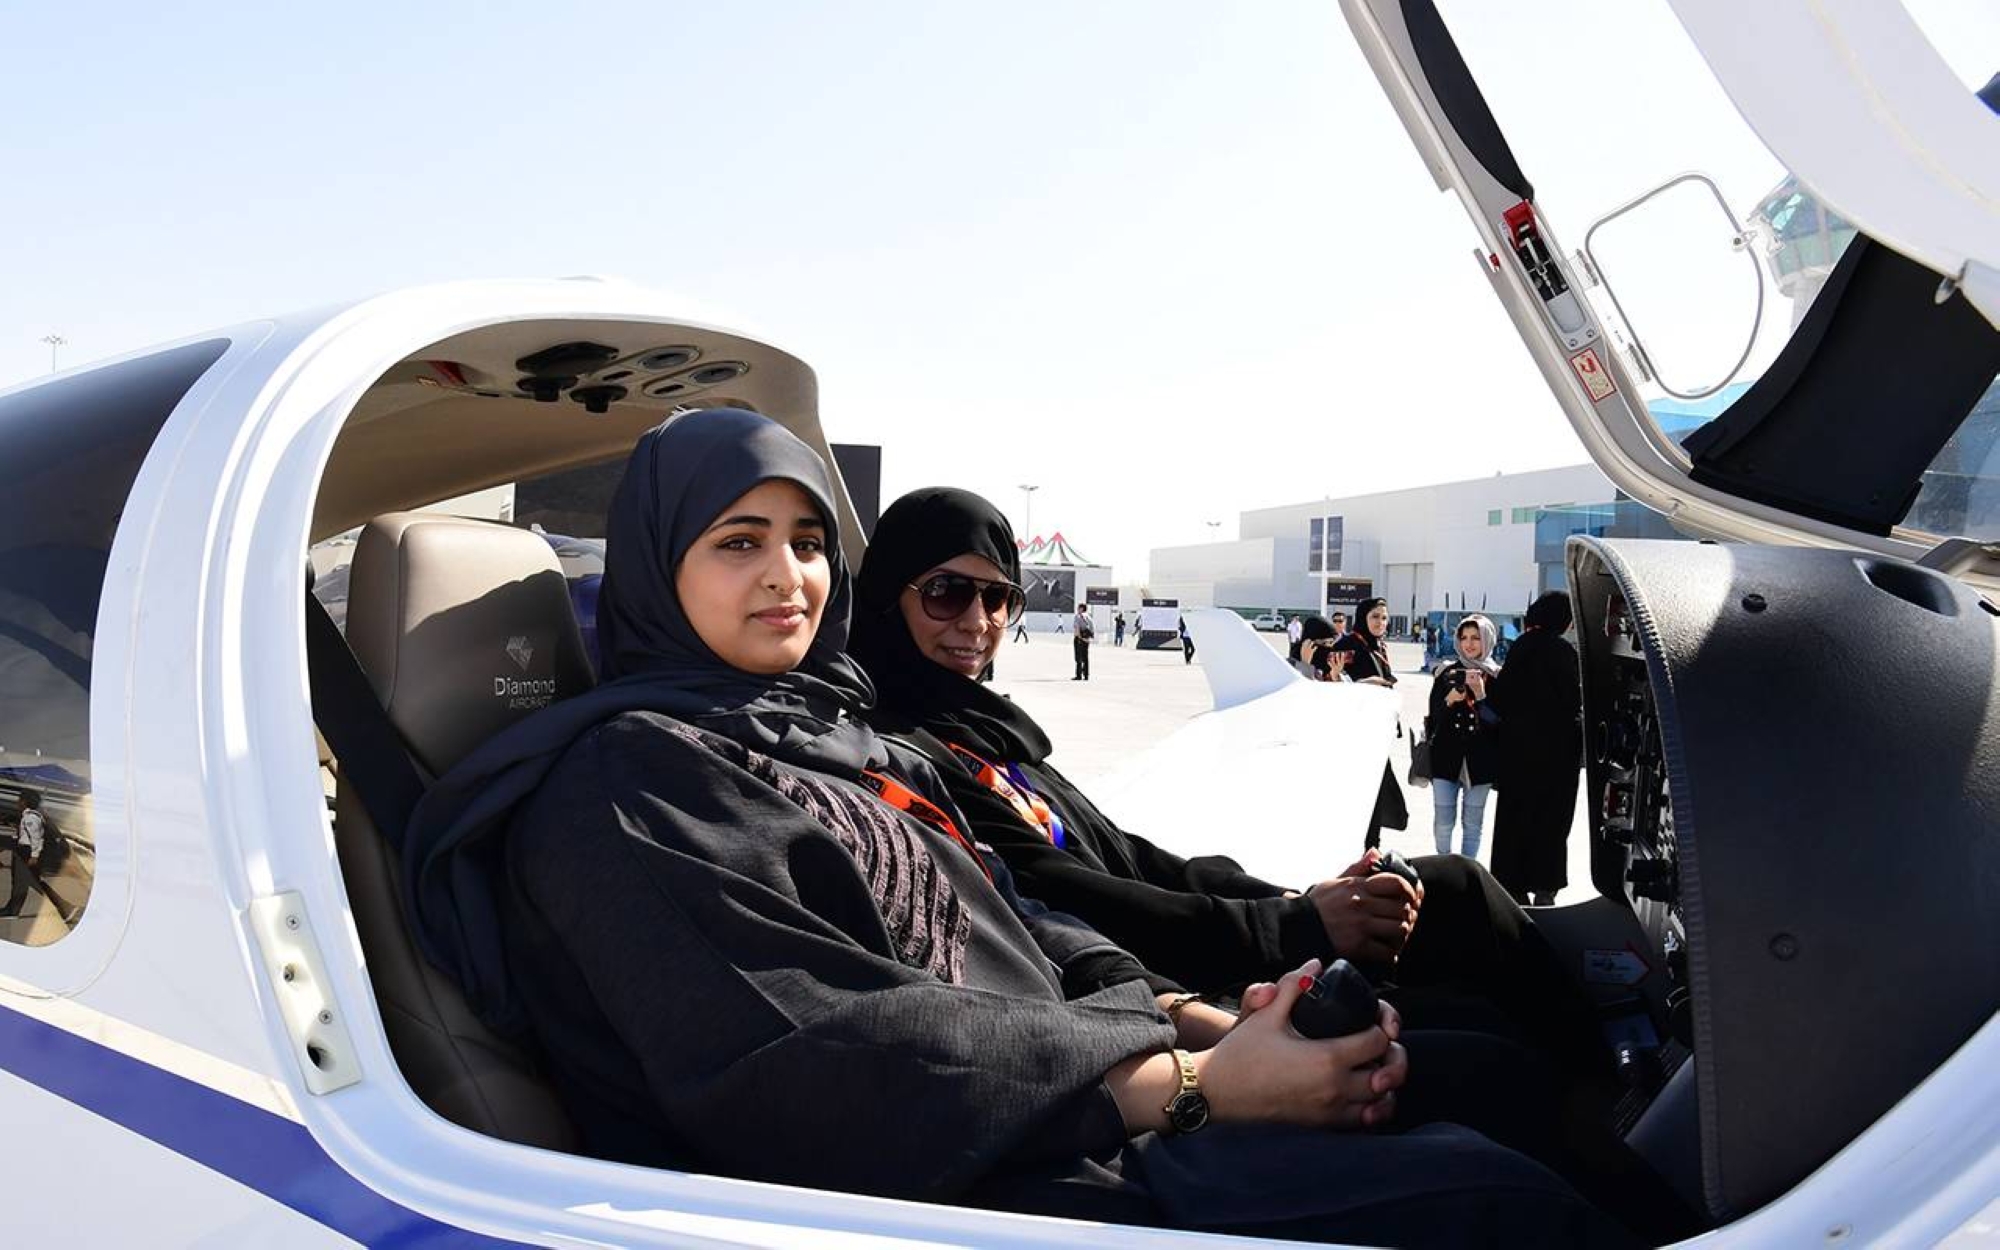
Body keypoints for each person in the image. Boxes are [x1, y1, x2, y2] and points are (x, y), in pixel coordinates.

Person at [401, 419, 1633, 1246]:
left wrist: (1191, 1010)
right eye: (738, 543)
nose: (789, 575)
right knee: (1492, 1197)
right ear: (657, 565)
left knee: (1473, 1073)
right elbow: (821, 1055)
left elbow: (1018, 905)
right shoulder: (624, 789)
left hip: (1070, 1089)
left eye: (809, 541)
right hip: (956, 1176)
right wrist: (1189, 1087)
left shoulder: (827, 734)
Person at [846, 489, 1690, 1241]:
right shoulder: (905, 751)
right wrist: (1281, 936)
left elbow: (1132, 856)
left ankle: (1624, 1109)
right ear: (888, 600)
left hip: (1175, 980)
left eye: (999, 596)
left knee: (1459, 921)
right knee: (1490, 1060)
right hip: (1148, 1000)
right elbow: (1064, 896)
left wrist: (1296, 900)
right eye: (947, 592)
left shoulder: (986, 732)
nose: (979, 621)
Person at [1486, 592, 1583, 907]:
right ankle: (1546, 884)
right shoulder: (1563, 651)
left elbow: (1501, 699)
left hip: (1518, 752)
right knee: (1552, 820)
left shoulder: (1520, 648)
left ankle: (1512, 884)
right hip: (1557, 753)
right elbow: (1573, 701)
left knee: (1515, 817)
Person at [1330, 598, 1409, 850]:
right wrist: (1364, 685)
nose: (1380, 622)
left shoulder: (1379, 646)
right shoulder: (1348, 645)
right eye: (1375, 616)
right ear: (1363, 617)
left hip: (1378, 729)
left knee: (1376, 795)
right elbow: (1331, 685)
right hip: (1356, 733)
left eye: (1384, 617)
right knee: (1360, 795)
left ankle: (1371, 848)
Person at [1427, 616, 1502, 859]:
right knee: (1443, 822)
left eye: (1476, 637)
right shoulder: (1446, 672)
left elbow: (1500, 724)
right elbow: (1433, 718)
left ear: (1487, 640)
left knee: (1473, 824)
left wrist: (1481, 695)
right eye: (1464, 637)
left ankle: (1467, 873)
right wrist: (1449, 700)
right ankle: (1442, 865)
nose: (1469, 644)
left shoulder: (1497, 676)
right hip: (1445, 758)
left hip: (1481, 761)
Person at [1072, 603, 1094, 680]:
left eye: (1078, 608)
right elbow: (1092, 629)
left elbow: (1077, 628)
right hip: (1087, 639)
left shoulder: (1078, 616)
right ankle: (1086, 675)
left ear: (1081, 609)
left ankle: (1079, 675)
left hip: (1079, 639)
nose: (1077, 609)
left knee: (1078, 657)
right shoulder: (1089, 617)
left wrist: (1080, 637)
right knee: (1085, 657)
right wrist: (1087, 639)